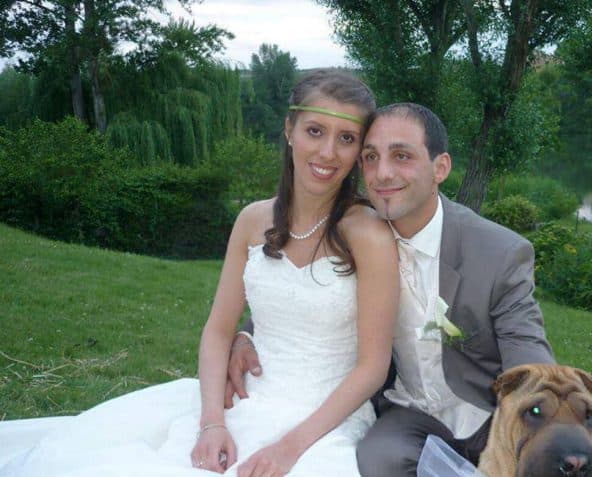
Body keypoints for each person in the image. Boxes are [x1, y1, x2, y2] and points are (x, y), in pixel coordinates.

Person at [1, 70, 399, 477]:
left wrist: (288, 448)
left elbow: (372, 367)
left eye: (346, 138)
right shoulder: (252, 220)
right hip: (243, 403)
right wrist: (212, 423)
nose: (328, 152)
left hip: (325, 423)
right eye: (315, 131)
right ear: (289, 130)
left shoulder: (368, 234)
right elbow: (218, 330)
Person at [227, 102, 555, 476]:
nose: (383, 174)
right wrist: (247, 333)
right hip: (406, 411)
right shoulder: (354, 233)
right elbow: (303, 292)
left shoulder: (499, 252)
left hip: (486, 413)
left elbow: (530, 359)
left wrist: (537, 424)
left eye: (402, 156)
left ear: (440, 167)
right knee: (376, 460)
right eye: (371, 157)